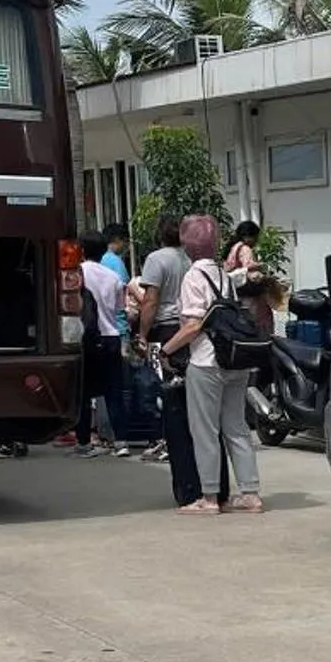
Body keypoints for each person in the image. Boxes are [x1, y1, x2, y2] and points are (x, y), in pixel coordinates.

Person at [157, 214, 262, 516]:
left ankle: (210, 497)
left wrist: (167, 349)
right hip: (235, 360)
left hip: (205, 362)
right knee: (236, 428)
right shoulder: (223, 275)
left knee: (204, 431)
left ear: (188, 244)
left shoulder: (193, 277)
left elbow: (193, 326)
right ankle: (250, 493)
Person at [133, 217, 202, 506]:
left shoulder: (156, 259)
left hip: (165, 331)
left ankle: (183, 478)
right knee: (194, 403)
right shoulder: (191, 260)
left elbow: (150, 300)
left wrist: (142, 335)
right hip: (192, 330)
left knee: (169, 399)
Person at [74, 233, 139, 452]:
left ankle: (83, 441)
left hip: (87, 337)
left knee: (82, 391)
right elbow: (121, 309)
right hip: (111, 335)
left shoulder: (78, 273)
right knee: (114, 391)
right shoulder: (113, 277)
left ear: (82, 250)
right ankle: (121, 441)